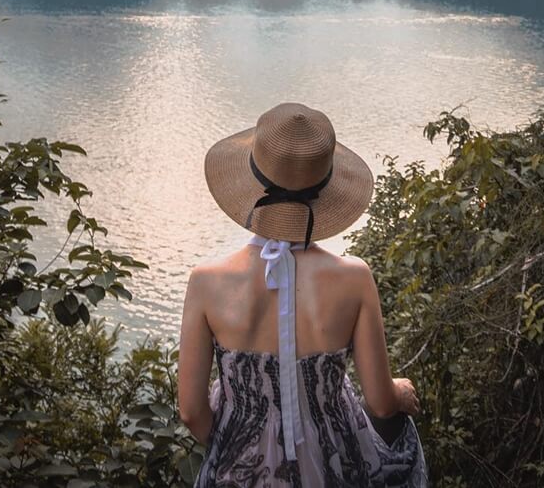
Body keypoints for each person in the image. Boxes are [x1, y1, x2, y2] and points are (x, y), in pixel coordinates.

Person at [178, 102, 429, 487]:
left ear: (252, 183)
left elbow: (192, 412)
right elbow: (379, 402)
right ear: (326, 190)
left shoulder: (206, 283)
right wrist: (399, 390)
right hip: (335, 464)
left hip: (238, 466)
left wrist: (246, 442)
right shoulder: (354, 278)